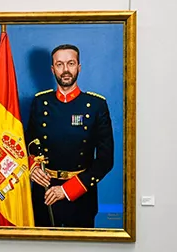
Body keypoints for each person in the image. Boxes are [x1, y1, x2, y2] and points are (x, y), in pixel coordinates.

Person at [25, 44, 114, 228]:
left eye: (71, 63)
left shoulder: (96, 105)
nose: (65, 69)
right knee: (42, 244)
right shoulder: (40, 102)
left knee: (80, 245)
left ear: (79, 67)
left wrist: (66, 190)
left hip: (81, 195)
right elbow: (28, 143)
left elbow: (105, 160)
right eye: (59, 64)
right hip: (45, 191)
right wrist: (33, 168)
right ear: (53, 69)